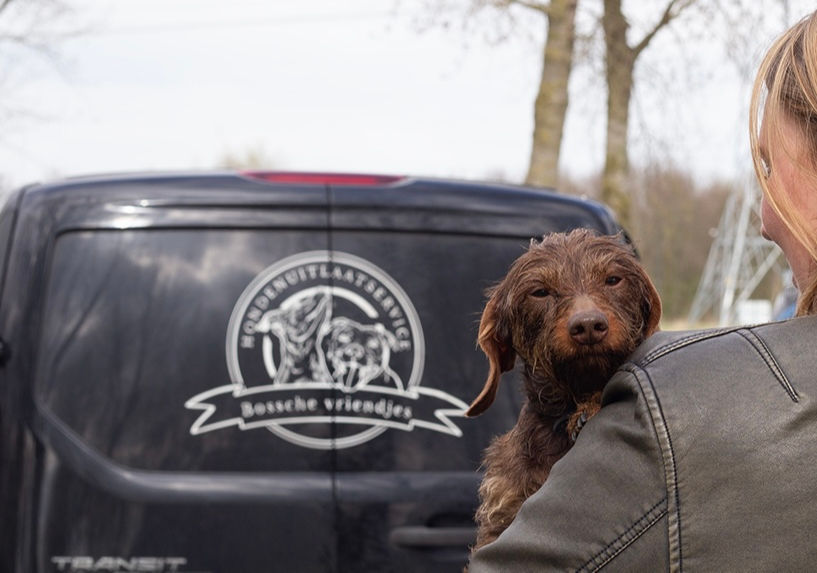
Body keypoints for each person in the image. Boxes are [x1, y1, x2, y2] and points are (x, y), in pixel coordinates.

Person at [468, 9, 817, 572]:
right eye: (543, 296)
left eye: (771, 167)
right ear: (502, 341)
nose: (761, 220)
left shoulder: (674, 413)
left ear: (647, 312)